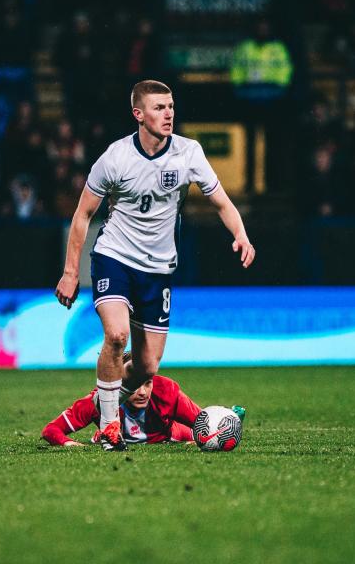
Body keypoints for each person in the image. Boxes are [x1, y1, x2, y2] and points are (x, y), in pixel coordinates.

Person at [54, 80, 255, 451]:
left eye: (171, 106)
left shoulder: (189, 153)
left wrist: (240, 235)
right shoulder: (115, 158)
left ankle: (102, 403)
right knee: (116, 336)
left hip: (158, 270)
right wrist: (70, 273)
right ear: (139, 115)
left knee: (147, 366)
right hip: (115, 257)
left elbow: (222, 202)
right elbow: (82, 215)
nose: (169, 113)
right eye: (160, 107)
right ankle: (110, 427)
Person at [41, 363, 200, 447]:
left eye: (147, 384)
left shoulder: (167, 391)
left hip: (172, 435)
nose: (142, 392)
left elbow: (206, 421)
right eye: (134, 385)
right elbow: (51, 430)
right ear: (119, 383)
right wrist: (67, 443)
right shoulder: (100, 399)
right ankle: (105, 434)